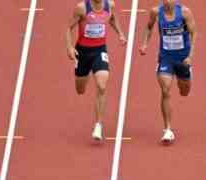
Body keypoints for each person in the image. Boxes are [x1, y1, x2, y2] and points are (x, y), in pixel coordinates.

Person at [66, 0, 127, 141]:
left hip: (99, 50)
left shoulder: (109, 5)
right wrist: (69, 48)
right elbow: (69, 28)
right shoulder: (82, 8)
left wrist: (120, 33)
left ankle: (98, 125)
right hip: (82, 52)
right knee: (80, 90)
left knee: (102, 85)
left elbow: (112, 18)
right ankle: (84, 73)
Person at [139, 0, 197, 143]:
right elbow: (148, 27)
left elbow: (194, 34)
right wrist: (144, 44)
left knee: (184, 91)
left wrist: (190, 56)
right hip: (166, 57)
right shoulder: (156, 12)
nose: (166, 2)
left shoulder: (184, 12)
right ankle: (168, 129)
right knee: (165, 90)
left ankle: (187, 74)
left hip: (183, 58)